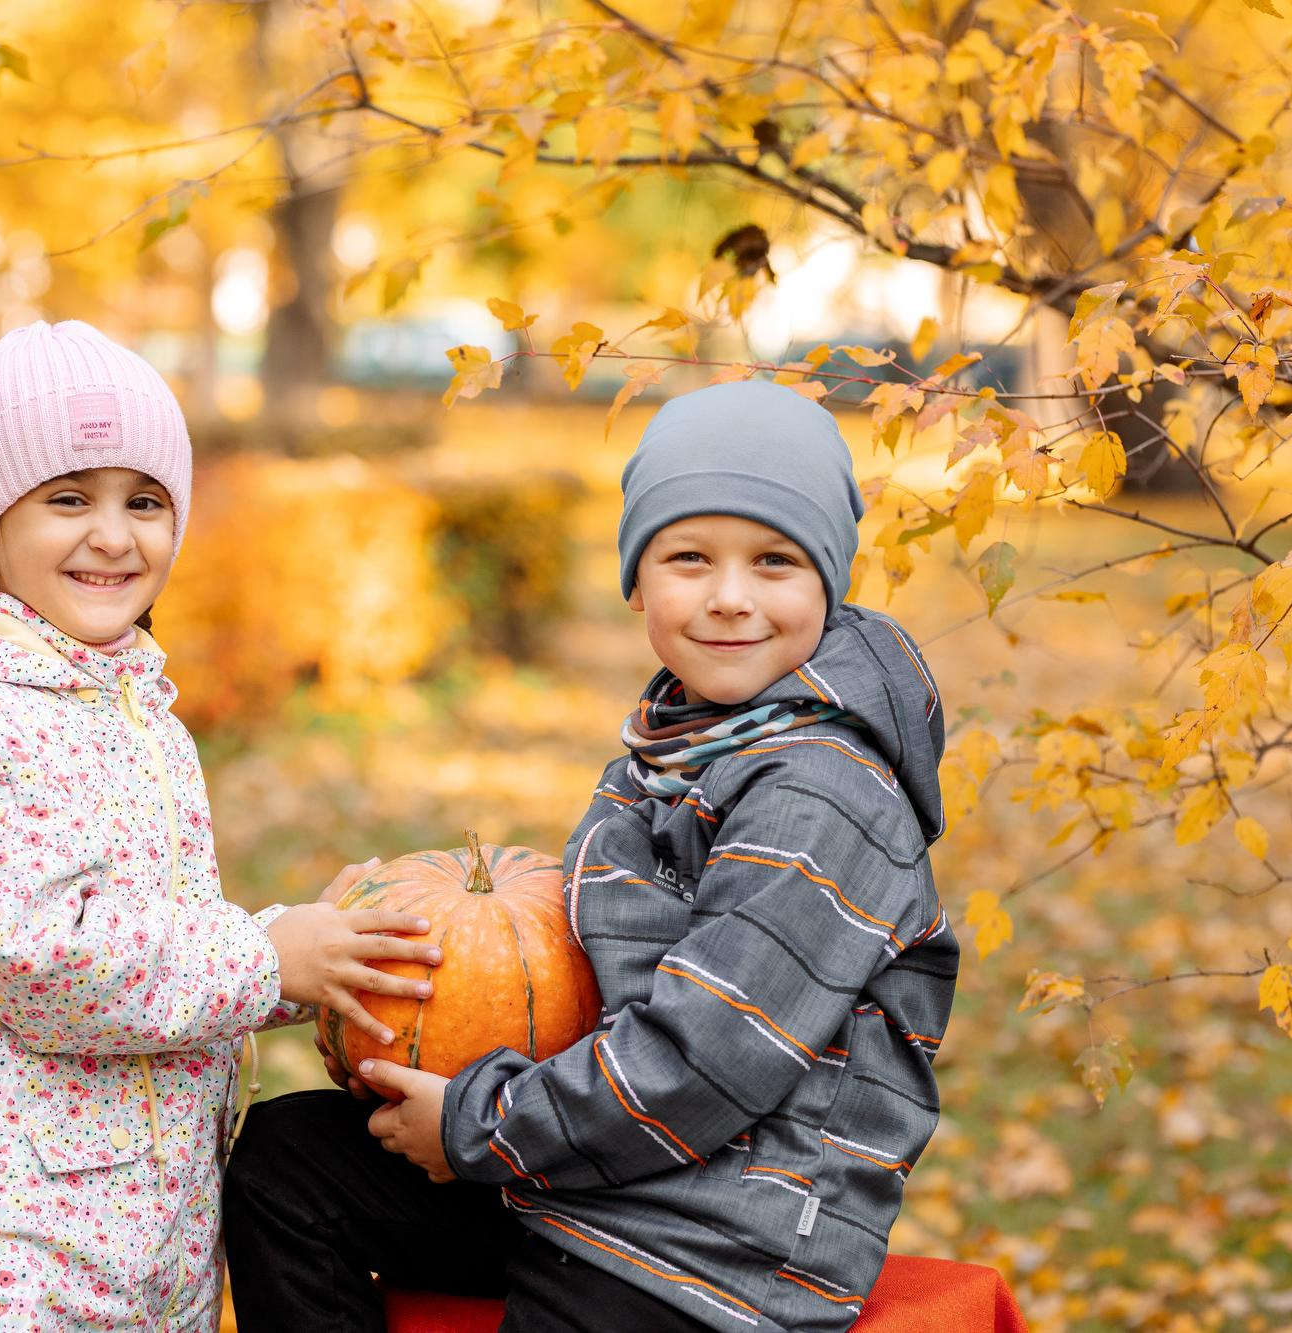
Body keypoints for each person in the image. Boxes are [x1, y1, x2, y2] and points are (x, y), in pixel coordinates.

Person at [0, 320, 439, 1331]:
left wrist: (309, 952)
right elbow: (42, 958)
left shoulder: (116, 699)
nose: (113, 534)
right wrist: (261, 957)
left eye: (144, 501)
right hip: (5, 1248)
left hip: (135, 1227)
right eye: (68, 497)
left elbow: (136, 932)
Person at [224, 379, 955, 1332]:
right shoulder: (675, 743)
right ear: (638, 580)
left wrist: (476, 1124)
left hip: (722, 1240)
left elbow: (705, 1061)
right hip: (595, 1175)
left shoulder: (819, 792)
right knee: (292, 1162)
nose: (731, 597)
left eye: (775, 561)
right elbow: (561, 968)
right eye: (689, 557)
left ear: (828, 580)